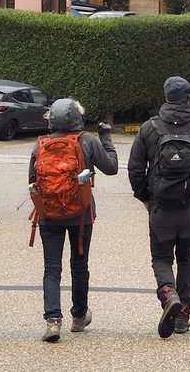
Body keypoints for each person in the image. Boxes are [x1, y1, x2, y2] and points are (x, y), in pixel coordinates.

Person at [127, 75, 190, 338]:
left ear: (166, 98)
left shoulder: (150, 128)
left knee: (161, 257)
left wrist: (145, 196)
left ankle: (169, 294)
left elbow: (135, 168)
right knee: (187, 257)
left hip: (160, 206)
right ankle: (183, 315)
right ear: (189, 98)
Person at [28, 98, 118, 342]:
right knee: (79, 265)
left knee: (52, 268)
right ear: (77, 119)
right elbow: (112, 167)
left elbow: (32, 183)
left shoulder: (40, 145)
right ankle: (79, 317)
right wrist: (106, 138)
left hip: (48, 215)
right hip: (81, 215)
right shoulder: (87, 141)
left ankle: (53, 321)